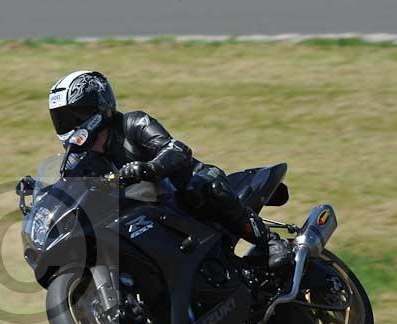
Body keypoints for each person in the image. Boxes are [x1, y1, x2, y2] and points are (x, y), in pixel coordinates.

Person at [45, 70, 290, 270]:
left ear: (98, 108)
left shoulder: (134, 124)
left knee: (205, 187)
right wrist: (46, 200)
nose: (69, 127)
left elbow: (177, 150)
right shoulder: (81, 160)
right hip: (138, 214)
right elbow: (70, 189)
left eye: (74, 118)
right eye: (62, 120)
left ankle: (269, 241)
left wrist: (148, 168)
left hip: (180, 192)